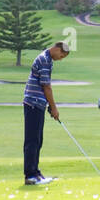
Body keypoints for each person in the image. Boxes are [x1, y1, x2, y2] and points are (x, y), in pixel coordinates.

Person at [23, 41, 69, 186]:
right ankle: (30, 175)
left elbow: (45, 88)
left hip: (38, 103)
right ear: (56, 48)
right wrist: (54, 108)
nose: (60, 58)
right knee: (32, 140)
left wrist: (48, 105)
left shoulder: (49, 60)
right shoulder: (44, 60)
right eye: (61, 55)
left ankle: (36, 173)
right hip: (33, 103)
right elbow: (46, 86)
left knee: (38, 140)